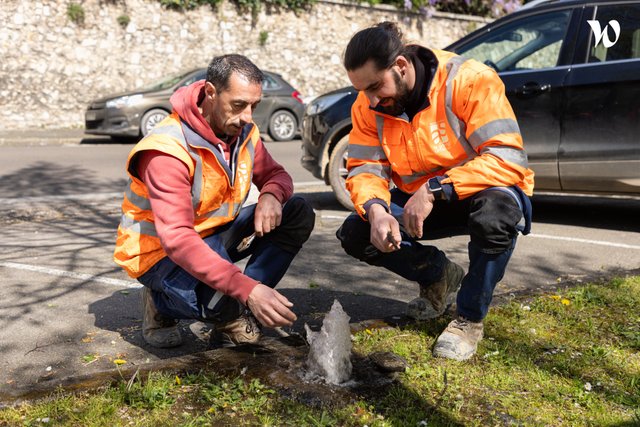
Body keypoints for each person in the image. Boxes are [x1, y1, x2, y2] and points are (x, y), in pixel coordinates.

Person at [336, 22, 534, 361]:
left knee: (495, 218)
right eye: (362, 90)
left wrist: (433, 190)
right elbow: (365, 168)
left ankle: (469, 319)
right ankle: (439, 275)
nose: (369, 99)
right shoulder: (367, 105)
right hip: (419, 201)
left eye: (374, 86)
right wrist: (377, 210)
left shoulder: (469, 80)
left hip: (483, 192)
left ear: (400, 66)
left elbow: (506, 158)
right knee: (357, 231)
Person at [114, 54, 315, 348]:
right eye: (238, 105)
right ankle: (161, 303)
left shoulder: (243, 132)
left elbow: (276, 174)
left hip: (213, 236)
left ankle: (237, 310)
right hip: (160, 254)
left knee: (297, 212)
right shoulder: (166, 150)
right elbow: (179, 240)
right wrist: (246, 288)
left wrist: (272, 194)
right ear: (210, 92)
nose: (248, 116)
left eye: (254, 106)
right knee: (223, 300)